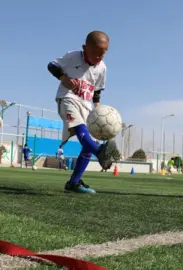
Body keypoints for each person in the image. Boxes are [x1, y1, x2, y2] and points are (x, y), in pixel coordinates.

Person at [47, 30, 116, 193]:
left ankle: (74, 182)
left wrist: (97, 109)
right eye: (94, 53)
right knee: (80, 130)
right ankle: (99, 151)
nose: (98, 57)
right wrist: (65, 79)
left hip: (86, 106)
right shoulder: (72, 57)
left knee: (87, 145)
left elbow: (98, 90)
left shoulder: (102, 68)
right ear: (84, 48)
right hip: (67, 98)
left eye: (102, 54)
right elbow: (51, 65)